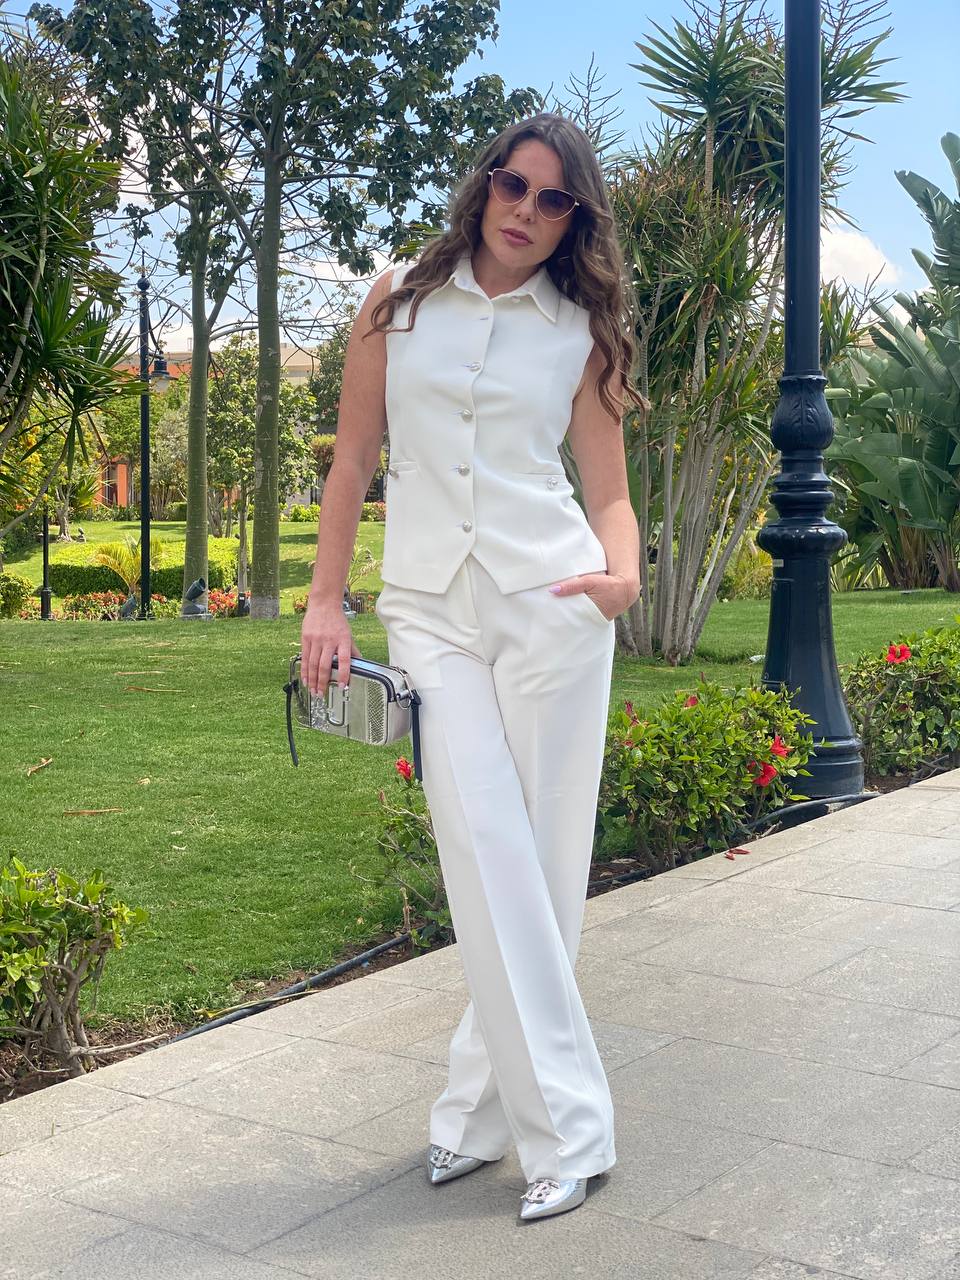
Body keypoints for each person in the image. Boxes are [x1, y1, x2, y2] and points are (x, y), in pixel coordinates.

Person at [301, 111, 646, 1223]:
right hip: (429, 612)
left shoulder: (579, 331)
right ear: (484, 184)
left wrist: (625, 575)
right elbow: (354, 458)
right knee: (486, 849)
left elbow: (607, 491)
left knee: (540, 867)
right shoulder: (397, 301)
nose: (526, 212)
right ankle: (573, 1132)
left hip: (552, 607)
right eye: (513, 185)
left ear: (574, 221)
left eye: (555, 201)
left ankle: (477, 1112)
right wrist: (324, 599)